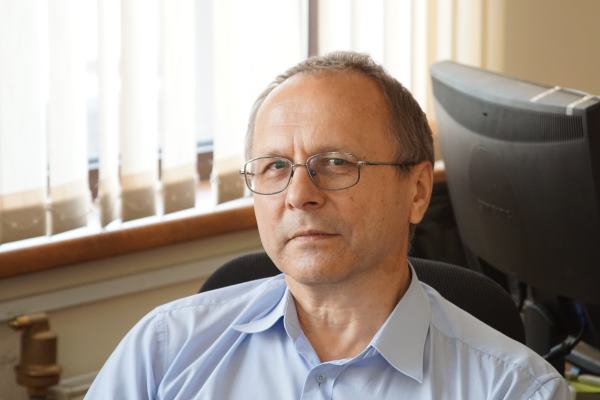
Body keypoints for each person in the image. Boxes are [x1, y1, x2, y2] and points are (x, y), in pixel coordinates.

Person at [85, 52, 569, 399]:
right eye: (275, 166)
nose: (299, 194)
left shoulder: (514, 388)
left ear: (418, 191)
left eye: (336, 162)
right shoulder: (165, 350)